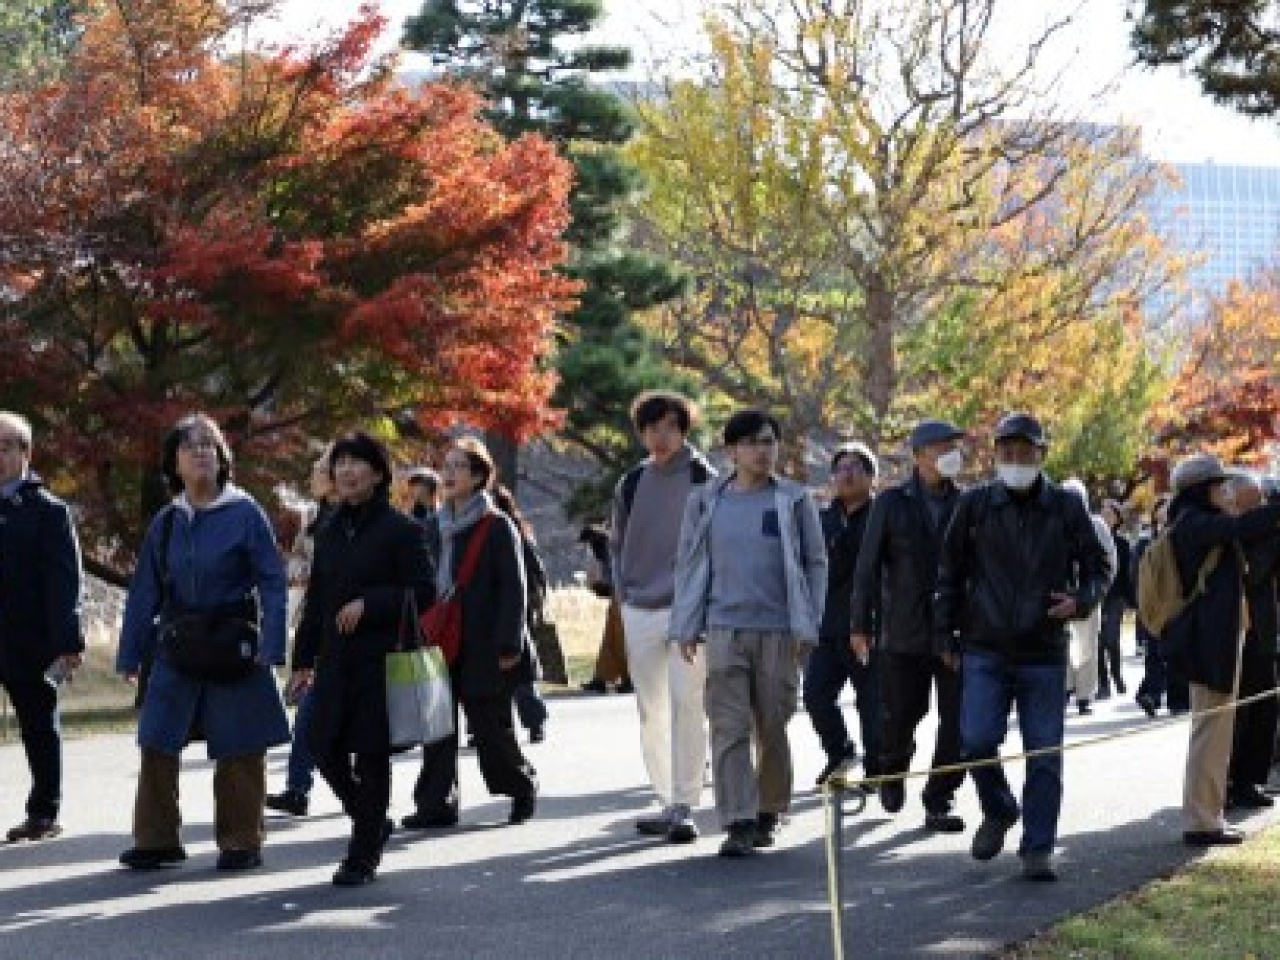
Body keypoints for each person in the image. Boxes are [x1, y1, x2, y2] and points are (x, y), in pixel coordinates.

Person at [935, 412, 1111, 881]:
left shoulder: (1066, 507)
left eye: (1025, 452)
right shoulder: (974, 505)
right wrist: (944, 633)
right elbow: (948, 573)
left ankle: (1038, 847)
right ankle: (999, 808)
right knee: (976, 741)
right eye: (1007, 452)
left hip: (1043, 649)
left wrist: (1081, 600)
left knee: (1043, 753)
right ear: (996, 455)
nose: (1015, 460)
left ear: (1042, 454)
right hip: (984, 645)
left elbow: (1099, 568)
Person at [117, 413, 290, 871]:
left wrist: (273, 646)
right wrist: (131, 652)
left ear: (222, 458)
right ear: (174, 462)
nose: (200, 452)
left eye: (208, 445)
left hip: (234, 640)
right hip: (177, 641)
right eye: (189, 445)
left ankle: (241, 841)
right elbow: (144, 591)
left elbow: (273, 582)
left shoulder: (246, 513)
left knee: (240, 745)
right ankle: (156, 840)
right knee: (157, 739)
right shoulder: (167, 521)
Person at [672, 409, 827, 857]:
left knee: (772, 725)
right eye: (753, 443)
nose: (763, 451)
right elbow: (688, 564)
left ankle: (769, 811)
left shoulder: (793, 500)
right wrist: (686, 623)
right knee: (729, 726)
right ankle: (738, 819)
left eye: (769, 442)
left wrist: (808, 621)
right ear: (732, 451)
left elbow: (815, 563)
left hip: (780, 630)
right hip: (724, 629)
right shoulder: (706, 501)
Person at [286, 432, 435, 885]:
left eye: (357, 462)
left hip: (381, 662)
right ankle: (371, 820)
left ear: (378, 472)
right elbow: (316, 599)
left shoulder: (401, 530)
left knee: (371, 757)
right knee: (320, 744)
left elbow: (424, 592)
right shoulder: (328, 528)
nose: (347, 470)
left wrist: (371, 603)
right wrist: (302, 660)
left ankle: (362, 854)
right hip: (335, 661)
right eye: (340, 462)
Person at [402, 437, 539, 831]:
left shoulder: (496, 526)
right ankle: (436, 804)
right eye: (446, 466)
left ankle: (520, 785)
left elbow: (514, 588)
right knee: (436, 727)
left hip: (483, 641)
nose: (448, 473)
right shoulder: (432, 526)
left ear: (479, 477)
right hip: (438, 638)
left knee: (490, 727)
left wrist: (509, 643)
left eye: (458, 466)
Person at [851, 418, 969, 833]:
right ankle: (893, 767)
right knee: (902, 714)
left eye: (953, 447)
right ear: (919, 456)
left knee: (958, 721)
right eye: (940, 447)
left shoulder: (967, 502)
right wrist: (860, 624)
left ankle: (940, 797)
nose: (950, 455)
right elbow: (867, 567)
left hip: (954, 631)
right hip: (902, 630)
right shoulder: (892, 502)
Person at [611, 390, 717, 844]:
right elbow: (617, 543)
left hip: (688, 606)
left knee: (687, 703)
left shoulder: (702, 476)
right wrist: (622, 594)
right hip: (638, 605)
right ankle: (666, 798)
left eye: (672, 426)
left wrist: (705, 600)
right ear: (642, 433)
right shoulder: (632, 481)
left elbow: (716, 542)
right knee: (651, 709)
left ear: (684, 430)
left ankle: (685, 804)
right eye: (653, 427)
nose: (662, 435)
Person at [1162, 456, 1280, 848]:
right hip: (1207, 641)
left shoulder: (1193, 521)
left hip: (1214, 639)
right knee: (1210, 733)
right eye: (1219, 485)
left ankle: (1208, 814)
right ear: (1202, 489)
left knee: (1214, 732)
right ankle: (1201, 820)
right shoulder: (1194, 523)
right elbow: (1243, 526)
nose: (1225, 492)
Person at [0, 411, 85, 843]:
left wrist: (68, 641)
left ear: (25, 454)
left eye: (4, 448)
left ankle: (43, 812)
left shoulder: (47, 511)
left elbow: (64, 580)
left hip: (29, 638)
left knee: (38, 726)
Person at [804, 442, 881, 787]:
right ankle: (840, 751)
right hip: (828, 625)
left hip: (871, 626)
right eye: (840, 469)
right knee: (816, 695)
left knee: (872, 702)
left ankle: (878, 769)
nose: (846, 475)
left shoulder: (883, 517)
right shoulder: (821, 521)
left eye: (855, 468)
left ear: (871, 476)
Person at [266, 448, 337, 817]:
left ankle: (362, 790)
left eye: (320, 469)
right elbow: (297, 558)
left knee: (322, 715)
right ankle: (298, 788)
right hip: (317, 626)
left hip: (352, 631)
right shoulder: (312, 518)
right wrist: (300, 570)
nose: (314, 474)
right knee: (309, 711)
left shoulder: (356, 518)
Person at [1225, 472, 1280, 811]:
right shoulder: (1226, 531)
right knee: (1238, 714)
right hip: (1235, 631)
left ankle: (1250, 780)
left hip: (1264, 630)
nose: (1261, 505)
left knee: (1264, 710)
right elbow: (1250, 574)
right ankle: (1227, 781)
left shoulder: (1265, 533)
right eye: (1254, 498)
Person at [493, 484, 550, 743]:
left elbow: (535, 570)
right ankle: (496, 727)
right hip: (502, 609)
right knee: (507, 676)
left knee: (520, 674)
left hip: (516, 610)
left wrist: (535, 602)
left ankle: (533, 722)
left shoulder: (511, 531)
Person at [1062, 479, 1117, 717]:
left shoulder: (1096, 525)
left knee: (1088, 645)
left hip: (1088, 594)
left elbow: (1109, 561)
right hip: (1061, 594)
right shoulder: (1055, 523)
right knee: (1063, 644)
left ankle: (1084, 695)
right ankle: (1065, 689)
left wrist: (1098, 591)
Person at [1134, 495, 1189, 717]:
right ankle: (1151, 695)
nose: (1164, 512)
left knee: (1175, 653)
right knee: (1154, 653)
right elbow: (1136, 572)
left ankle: (1177, 700)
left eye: (1168, 508)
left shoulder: (1182, 536)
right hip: (1153, 603)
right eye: (1160, 508)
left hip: (1177, 603)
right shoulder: (1145, 541)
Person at [578, 523, 632, 694]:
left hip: (624, 597)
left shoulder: (607, 547)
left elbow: (615, 573)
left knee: (620, 640)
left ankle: (628, 678)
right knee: (610, 641)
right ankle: (602, 678)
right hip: (619, 596)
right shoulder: (605, 546)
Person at [1096, 500, 1134, 701]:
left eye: (1110, 514)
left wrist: (1131, 601)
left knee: (1111, 639)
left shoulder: (1123, 544)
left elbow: (1127, 575)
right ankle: (1103, 684)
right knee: (1098, 641)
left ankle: (1117, 675)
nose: (1105, 516)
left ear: (1118, 519)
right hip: (1096, 597)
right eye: (1103, 512)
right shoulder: (1092, 539)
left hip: (1116, 597)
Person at [407, 467, 443, 568]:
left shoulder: (443, 514)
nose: (412, 488)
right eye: (412, 484)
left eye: (417, 484)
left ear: (429, 486)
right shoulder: (411, 516)